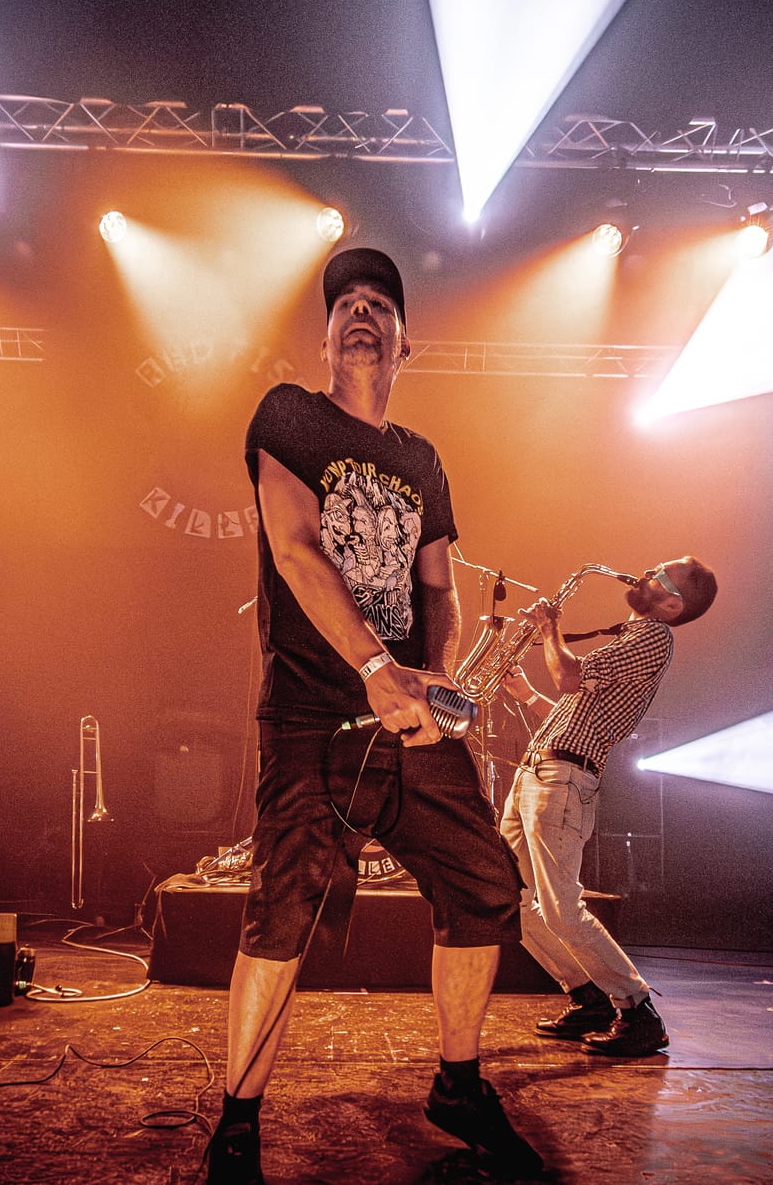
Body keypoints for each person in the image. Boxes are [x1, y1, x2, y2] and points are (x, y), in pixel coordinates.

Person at [204, 248, 539, 1183]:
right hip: (315, 715)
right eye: (345, 302)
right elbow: (295, 546)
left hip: (408, 716)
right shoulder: (291, 415)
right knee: (286, 910)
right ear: (324, 338)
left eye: (379, 304)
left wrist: (433, 679)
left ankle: (458, 1084)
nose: (361, 312)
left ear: (404, 342)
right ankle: (237, 1123)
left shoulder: (420, 459)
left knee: (483, 880)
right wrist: (374, 667)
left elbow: (439, 586)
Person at [498, 556, 718, 1058]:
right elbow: (572, 716)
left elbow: (568, 678)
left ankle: (638, 1010)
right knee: (511, 902)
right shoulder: (630, 637)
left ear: (672, 605)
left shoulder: (653, 636)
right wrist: (525, 693)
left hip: (562, 780)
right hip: (539, 772)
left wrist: (549, 630)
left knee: (561, 910)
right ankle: (587, 997)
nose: (646, 572)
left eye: (660, 575)